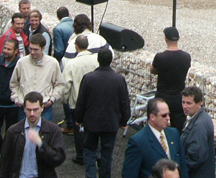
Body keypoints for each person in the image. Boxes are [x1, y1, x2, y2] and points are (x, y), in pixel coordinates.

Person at [73, 46, 129, 178]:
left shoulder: (88, 78)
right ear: (111, 61)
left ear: (98, 60)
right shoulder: (119, 79)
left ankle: (91, 175)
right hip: (110, 123)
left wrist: (78, 119)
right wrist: (124, 121)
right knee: (107, 154)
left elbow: (81, 102)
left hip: (91, 123)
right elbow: (125, 103)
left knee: (89, 150)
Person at [0, 91, 66, 178]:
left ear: (42, 108)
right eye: (29, 110)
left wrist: (40, 144)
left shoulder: (53, 130)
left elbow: (58, 158)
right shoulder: (13, 131)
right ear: (24, 109)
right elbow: (5, 163)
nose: (32, 114)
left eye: (35, 109)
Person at [122, 98, 188, 178]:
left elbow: (183, 166)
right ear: (152, 116)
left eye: (168, 114)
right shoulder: (138, 142)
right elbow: (129, 174)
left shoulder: (174, 134)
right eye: (164, 115)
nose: (168, 118)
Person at [10, 33, 65, 122]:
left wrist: (51, 100)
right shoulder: (22, 62)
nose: (32, 52)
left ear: (43, 48)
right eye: (30, 49)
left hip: (44, 108)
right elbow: (14, 83)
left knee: (44, 134)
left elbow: (60, 84)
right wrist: (16, 98)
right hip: (25, 108)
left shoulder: (52, 63)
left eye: (36, 50)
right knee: (24, 135)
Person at [62, 35, 98, 161]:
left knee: (79, 130)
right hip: (94, 102)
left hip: (76, 103)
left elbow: (66, 85)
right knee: (93, 129)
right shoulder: (96, 61)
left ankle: (81, 155)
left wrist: (64, 99)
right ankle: (94, 152)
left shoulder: (71, 64)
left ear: (76, 46)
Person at [151, 26, 192, 131]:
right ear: (178, 38)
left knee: (159, 128)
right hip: (179, 97)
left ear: (165, 39)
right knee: (178, 129)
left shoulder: (160, 57)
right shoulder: (186, 57)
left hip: (162, 97)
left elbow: (153, 70)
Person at [0, 39, 20, 165]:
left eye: (9, 49)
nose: (5, 51)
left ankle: (7, 154)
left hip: (12, 105)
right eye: (5, 48)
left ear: (16, 51)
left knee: (11, 132)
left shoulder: (20, 64)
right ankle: (1, 150)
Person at [180, 87, 215, 178]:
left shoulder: (199, 125)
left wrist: (180, 171)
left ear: (199, 103)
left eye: (189, 103)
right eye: (183, 102)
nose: (185, 106)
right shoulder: (199, 118)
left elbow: (195, 157)